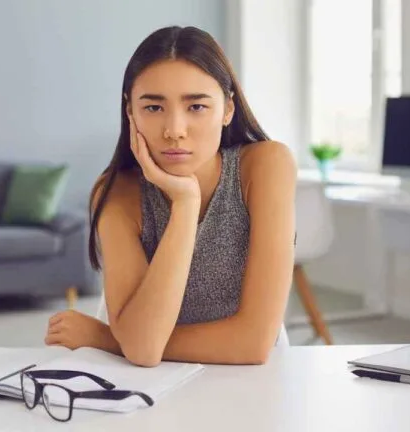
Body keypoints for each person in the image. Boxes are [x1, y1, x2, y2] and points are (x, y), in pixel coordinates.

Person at [44, 25, 296, 367]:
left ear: (227, 110)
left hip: (251, 381)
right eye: (153, 107)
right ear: (130, 112)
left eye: (196, 107)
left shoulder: (266, 165)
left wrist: (108, 339)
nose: (174, 130)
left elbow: (251, 345)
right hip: (149, 384)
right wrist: (185, 204)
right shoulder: (117, 192)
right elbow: (144, 350)